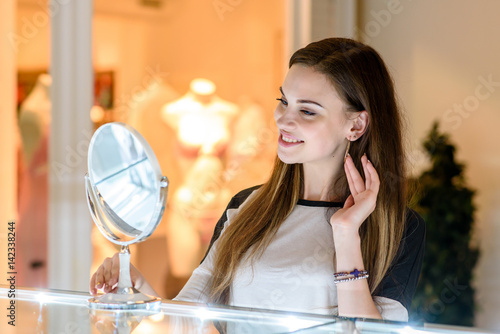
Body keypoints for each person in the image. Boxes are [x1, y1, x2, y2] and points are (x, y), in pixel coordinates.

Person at [89, 38, 425, 321]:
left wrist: (347, 233)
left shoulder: (398, 228)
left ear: (356, 125)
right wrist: (135, 288)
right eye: (283, 101)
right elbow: (188, 321)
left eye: (307, 111)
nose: (283, 119)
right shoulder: (245, 207)